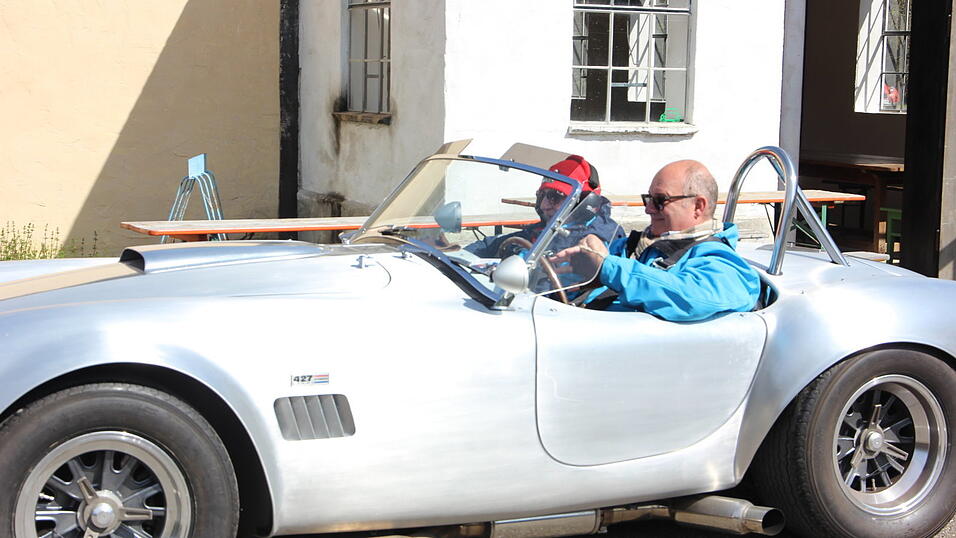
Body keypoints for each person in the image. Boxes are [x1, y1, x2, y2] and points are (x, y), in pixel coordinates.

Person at [550, 159, 761, 321]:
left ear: (698, 206)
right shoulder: (633, 246)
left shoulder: (723, 263)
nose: (648, 209)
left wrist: (608, 269)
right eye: (648, 199)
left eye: (660, 201)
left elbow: (691, 299)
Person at [464, 155, 621, 258]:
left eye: (555, 197)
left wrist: (518, 258)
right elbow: (492, 244)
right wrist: (454, 256)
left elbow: (548, 284)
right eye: (542, 196)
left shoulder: (596, 240)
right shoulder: (547, 228)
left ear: (584, 203)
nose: (544, 205)